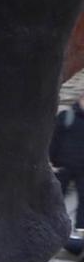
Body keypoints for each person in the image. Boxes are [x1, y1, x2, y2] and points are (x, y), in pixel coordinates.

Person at [53, 97, 84, 230]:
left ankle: (80, 231)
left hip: (82, 169)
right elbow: (54, 139)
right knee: (55, 198)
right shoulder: (66, 116)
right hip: (63, 166)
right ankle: (53, 227)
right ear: (81, 99)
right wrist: (51, 161)